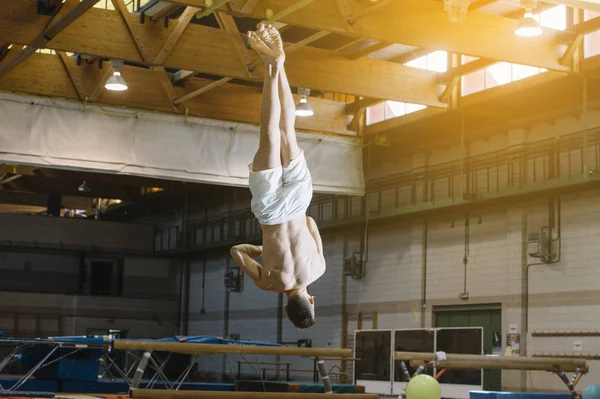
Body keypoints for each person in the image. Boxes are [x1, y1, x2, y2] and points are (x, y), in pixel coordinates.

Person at [230, 22, 326, 330]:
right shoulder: (269, 283)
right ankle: (270, 68)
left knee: (287, 131)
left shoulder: (319, 268)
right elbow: (236, 250)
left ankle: (279, 65)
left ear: (311, 301)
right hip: (270, 213)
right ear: (287, 308)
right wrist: (264, 248)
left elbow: (310, 224)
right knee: (268, 134)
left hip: (298, 204)